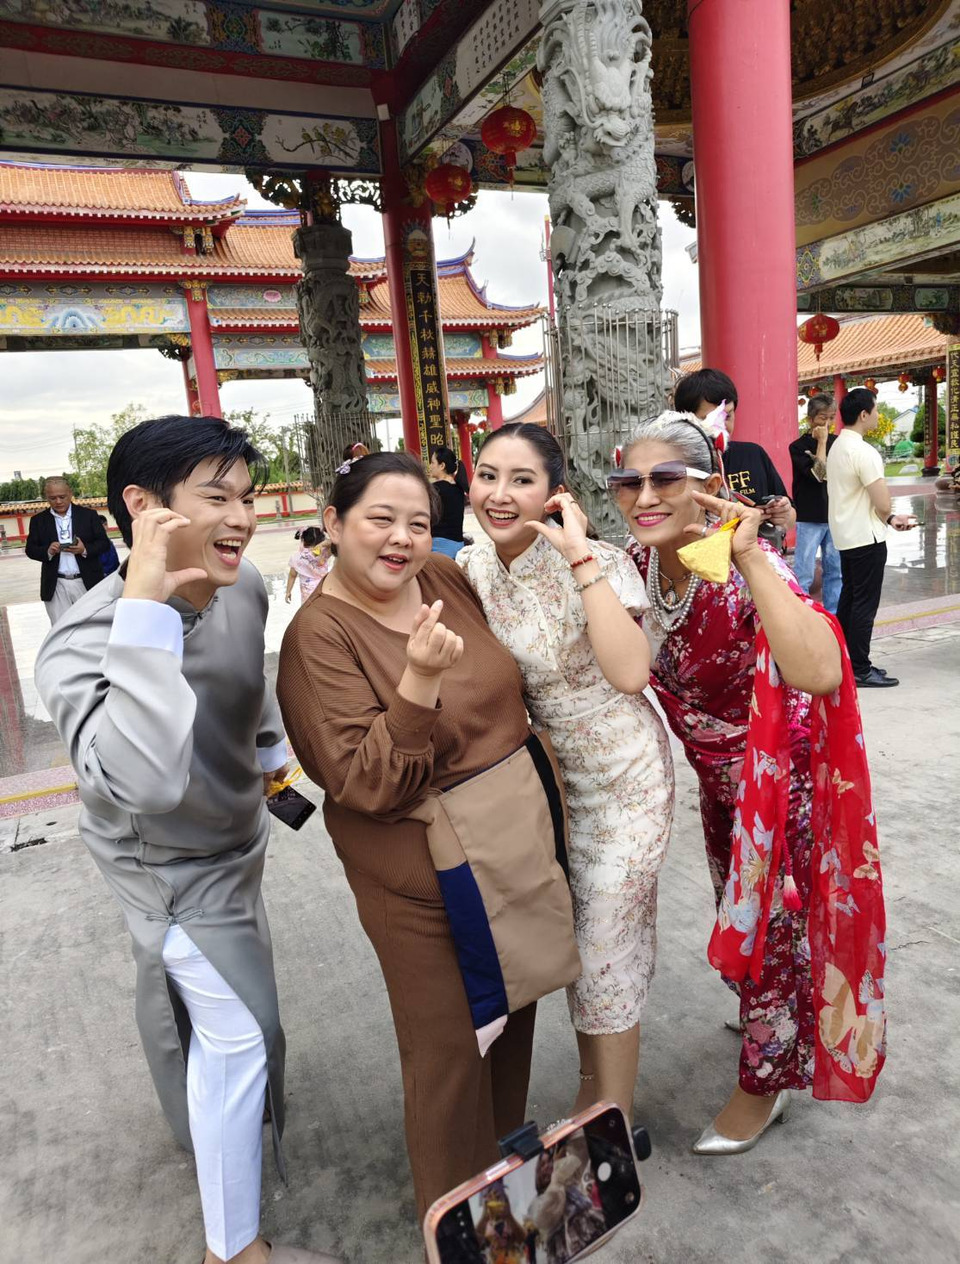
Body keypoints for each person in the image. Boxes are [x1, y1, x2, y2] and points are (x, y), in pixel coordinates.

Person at [35, 415, 337, 1264]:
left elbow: (250, 688)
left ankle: (202, 1121)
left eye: (246, 497)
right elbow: (144, 784)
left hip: (237, 843)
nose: (241, 517)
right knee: (241, 1035)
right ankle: (232, 1250)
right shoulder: (80, 645)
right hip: (164, 870)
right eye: (216, 497)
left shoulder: (241, 587)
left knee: (212, 1017)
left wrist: (274, 766)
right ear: (143, 507)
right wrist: (144, 613)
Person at [277, 452, 568, 1219]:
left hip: (510, 837)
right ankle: (458, 1223)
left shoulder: (442, 577)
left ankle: (503, 1198)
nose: (401, 539)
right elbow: (366, 783)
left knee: (513, 1015)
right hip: (424, 880)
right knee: (449, 1053)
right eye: (380, 519)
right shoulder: (318, 638)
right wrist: (419, 681)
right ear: (334, 523)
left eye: (417, 522)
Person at [615, 411, 886, 1153]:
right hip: (717, 782)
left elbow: (821, 671)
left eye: (665, 478)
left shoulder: (740, 563)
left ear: (706, 484)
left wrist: (752, 557)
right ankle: (775, 1010)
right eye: (629, 480)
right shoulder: (634, 564)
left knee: (770, 925)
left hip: (778, 783)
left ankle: (766, 1082)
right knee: (741, 911)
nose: (645, 496)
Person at [460, 423, 674, 1120]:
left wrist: (578, 556)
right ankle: (593, 1092)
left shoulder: (600, 560)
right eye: (488, 475)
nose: (499, 494)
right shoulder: (471, 569)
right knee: (581, 941)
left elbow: (631, 672)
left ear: (555, 493)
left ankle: (612, 1118)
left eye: (521, 480)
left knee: (606, 940)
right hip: (550, 785)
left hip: (626, 776)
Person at [827, 387, 915, 688]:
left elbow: (861, 499)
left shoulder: (837, 447)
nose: (878, 415)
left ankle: (844, 661)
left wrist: (890, 519)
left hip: (846, 536)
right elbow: (882, 503)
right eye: (876, 410)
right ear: (863, 415)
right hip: (867, 538)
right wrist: (890, 515)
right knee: (864, 605)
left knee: (849, 599)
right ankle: (861, 669)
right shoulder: (864, 452)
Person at [674, 368, 796, 539]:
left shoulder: (753, 454)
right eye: (710, 419)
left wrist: (783, 513)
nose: (722, 426)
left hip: (757, 552)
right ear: (685, 421)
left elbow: (790, 519)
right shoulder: (675, 468)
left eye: (727, 416)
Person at [25, 477, 110, 623]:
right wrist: (48, 551)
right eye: (52, 498)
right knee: (61, 628)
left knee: (91, 626)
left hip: (86, 581)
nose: (58, 501)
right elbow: (30, 549)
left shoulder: (88, 515)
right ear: (46, 497)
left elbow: (104, 543)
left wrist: (84, 549)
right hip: (56, 584)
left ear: (70, 493)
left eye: (62, 497)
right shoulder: (39, 520)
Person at [789, 395, 841, 612]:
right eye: (822, 418)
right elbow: (820, 474)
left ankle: (833, 615)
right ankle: (803, 614)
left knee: (835, 571)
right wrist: (821, 442)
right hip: (809, 516)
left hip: (835, 516)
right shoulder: (798, 447)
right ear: (811, 419)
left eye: (831, 417)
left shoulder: (838, 443)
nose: (827, 423)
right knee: (804, 572)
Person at [428, 444, 466, 558]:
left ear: (442, 466)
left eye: (432, 462)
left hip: (439, 547)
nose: (430, 466)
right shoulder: (459, 488)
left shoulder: (436, 489)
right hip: (458, 545)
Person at [284, 525, 333, 603]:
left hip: (307, 593)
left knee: (309, 609)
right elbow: (335, 542)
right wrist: (321, 545)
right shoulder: (324, 553)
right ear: (321, 540)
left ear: (303, 540)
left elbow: (292, 575)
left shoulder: (296, 557)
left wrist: (288, 592)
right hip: (324, 589)